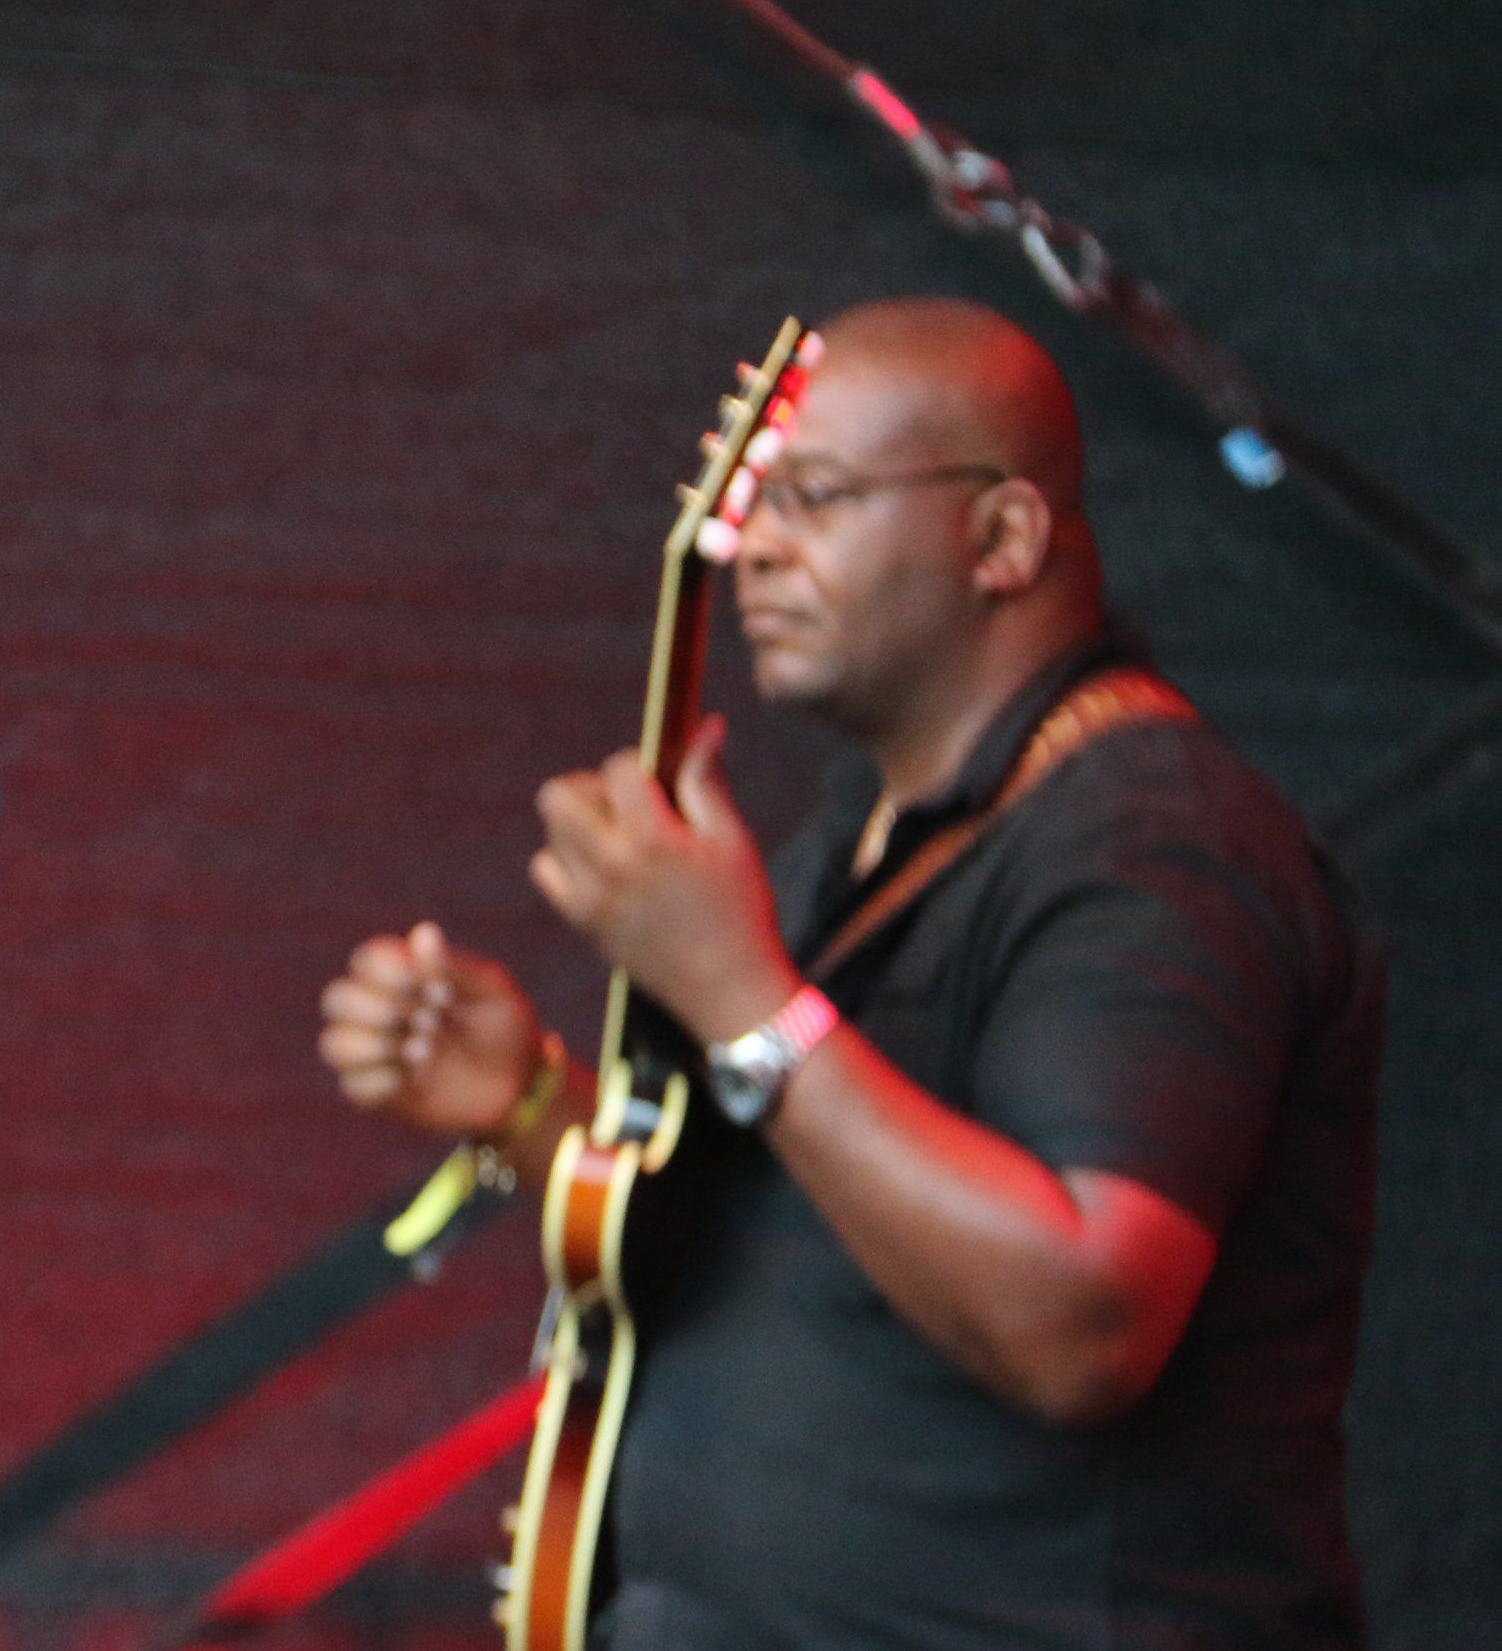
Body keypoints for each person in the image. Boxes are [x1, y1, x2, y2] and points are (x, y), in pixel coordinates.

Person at [319, 298, 1378, 1648]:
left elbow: (1083, 1325)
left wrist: (743, 999)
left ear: (1002, 539)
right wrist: (530, 1105)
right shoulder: (862, 842)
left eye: (813, 499)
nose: (755, 549)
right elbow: (784, 1236)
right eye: (753, 506)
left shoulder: (1157, 844)